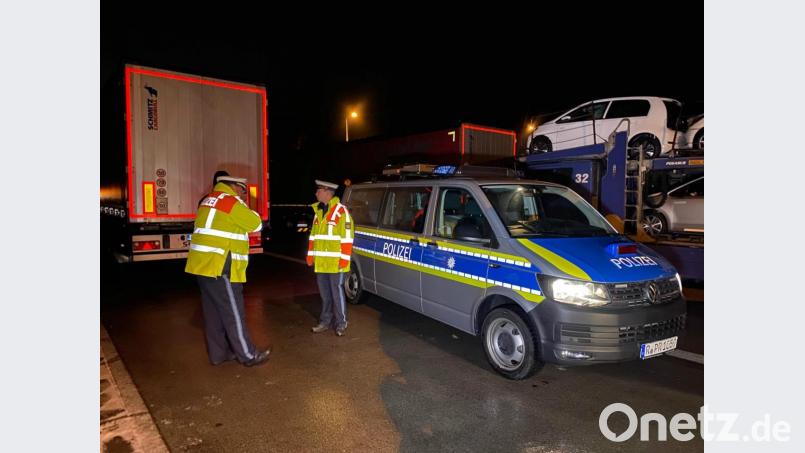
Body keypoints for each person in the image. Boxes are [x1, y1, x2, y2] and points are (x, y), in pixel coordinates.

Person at [185, 174, 270, 366]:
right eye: (242, 190)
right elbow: (255, 223)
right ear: (234, 186)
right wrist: (245, 207)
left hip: (202, 265)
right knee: (233, 313)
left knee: (213, 314)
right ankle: (248, 355)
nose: (243, 194)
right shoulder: (230, 201)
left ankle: (219, 354)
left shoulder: (208, 200)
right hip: (220, 266)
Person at [307, 180, 353, 336]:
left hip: (335, 263)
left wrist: (344, 260)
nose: (316, 193)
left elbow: (347, 238)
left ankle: (341, 323)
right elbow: (313, 237)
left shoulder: (341, 212)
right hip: (321, 263)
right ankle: (325, 322)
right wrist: (310, 255)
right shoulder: (318, 212)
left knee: (337, 294)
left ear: (327, 192)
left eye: (318, 190)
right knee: (325, 295)